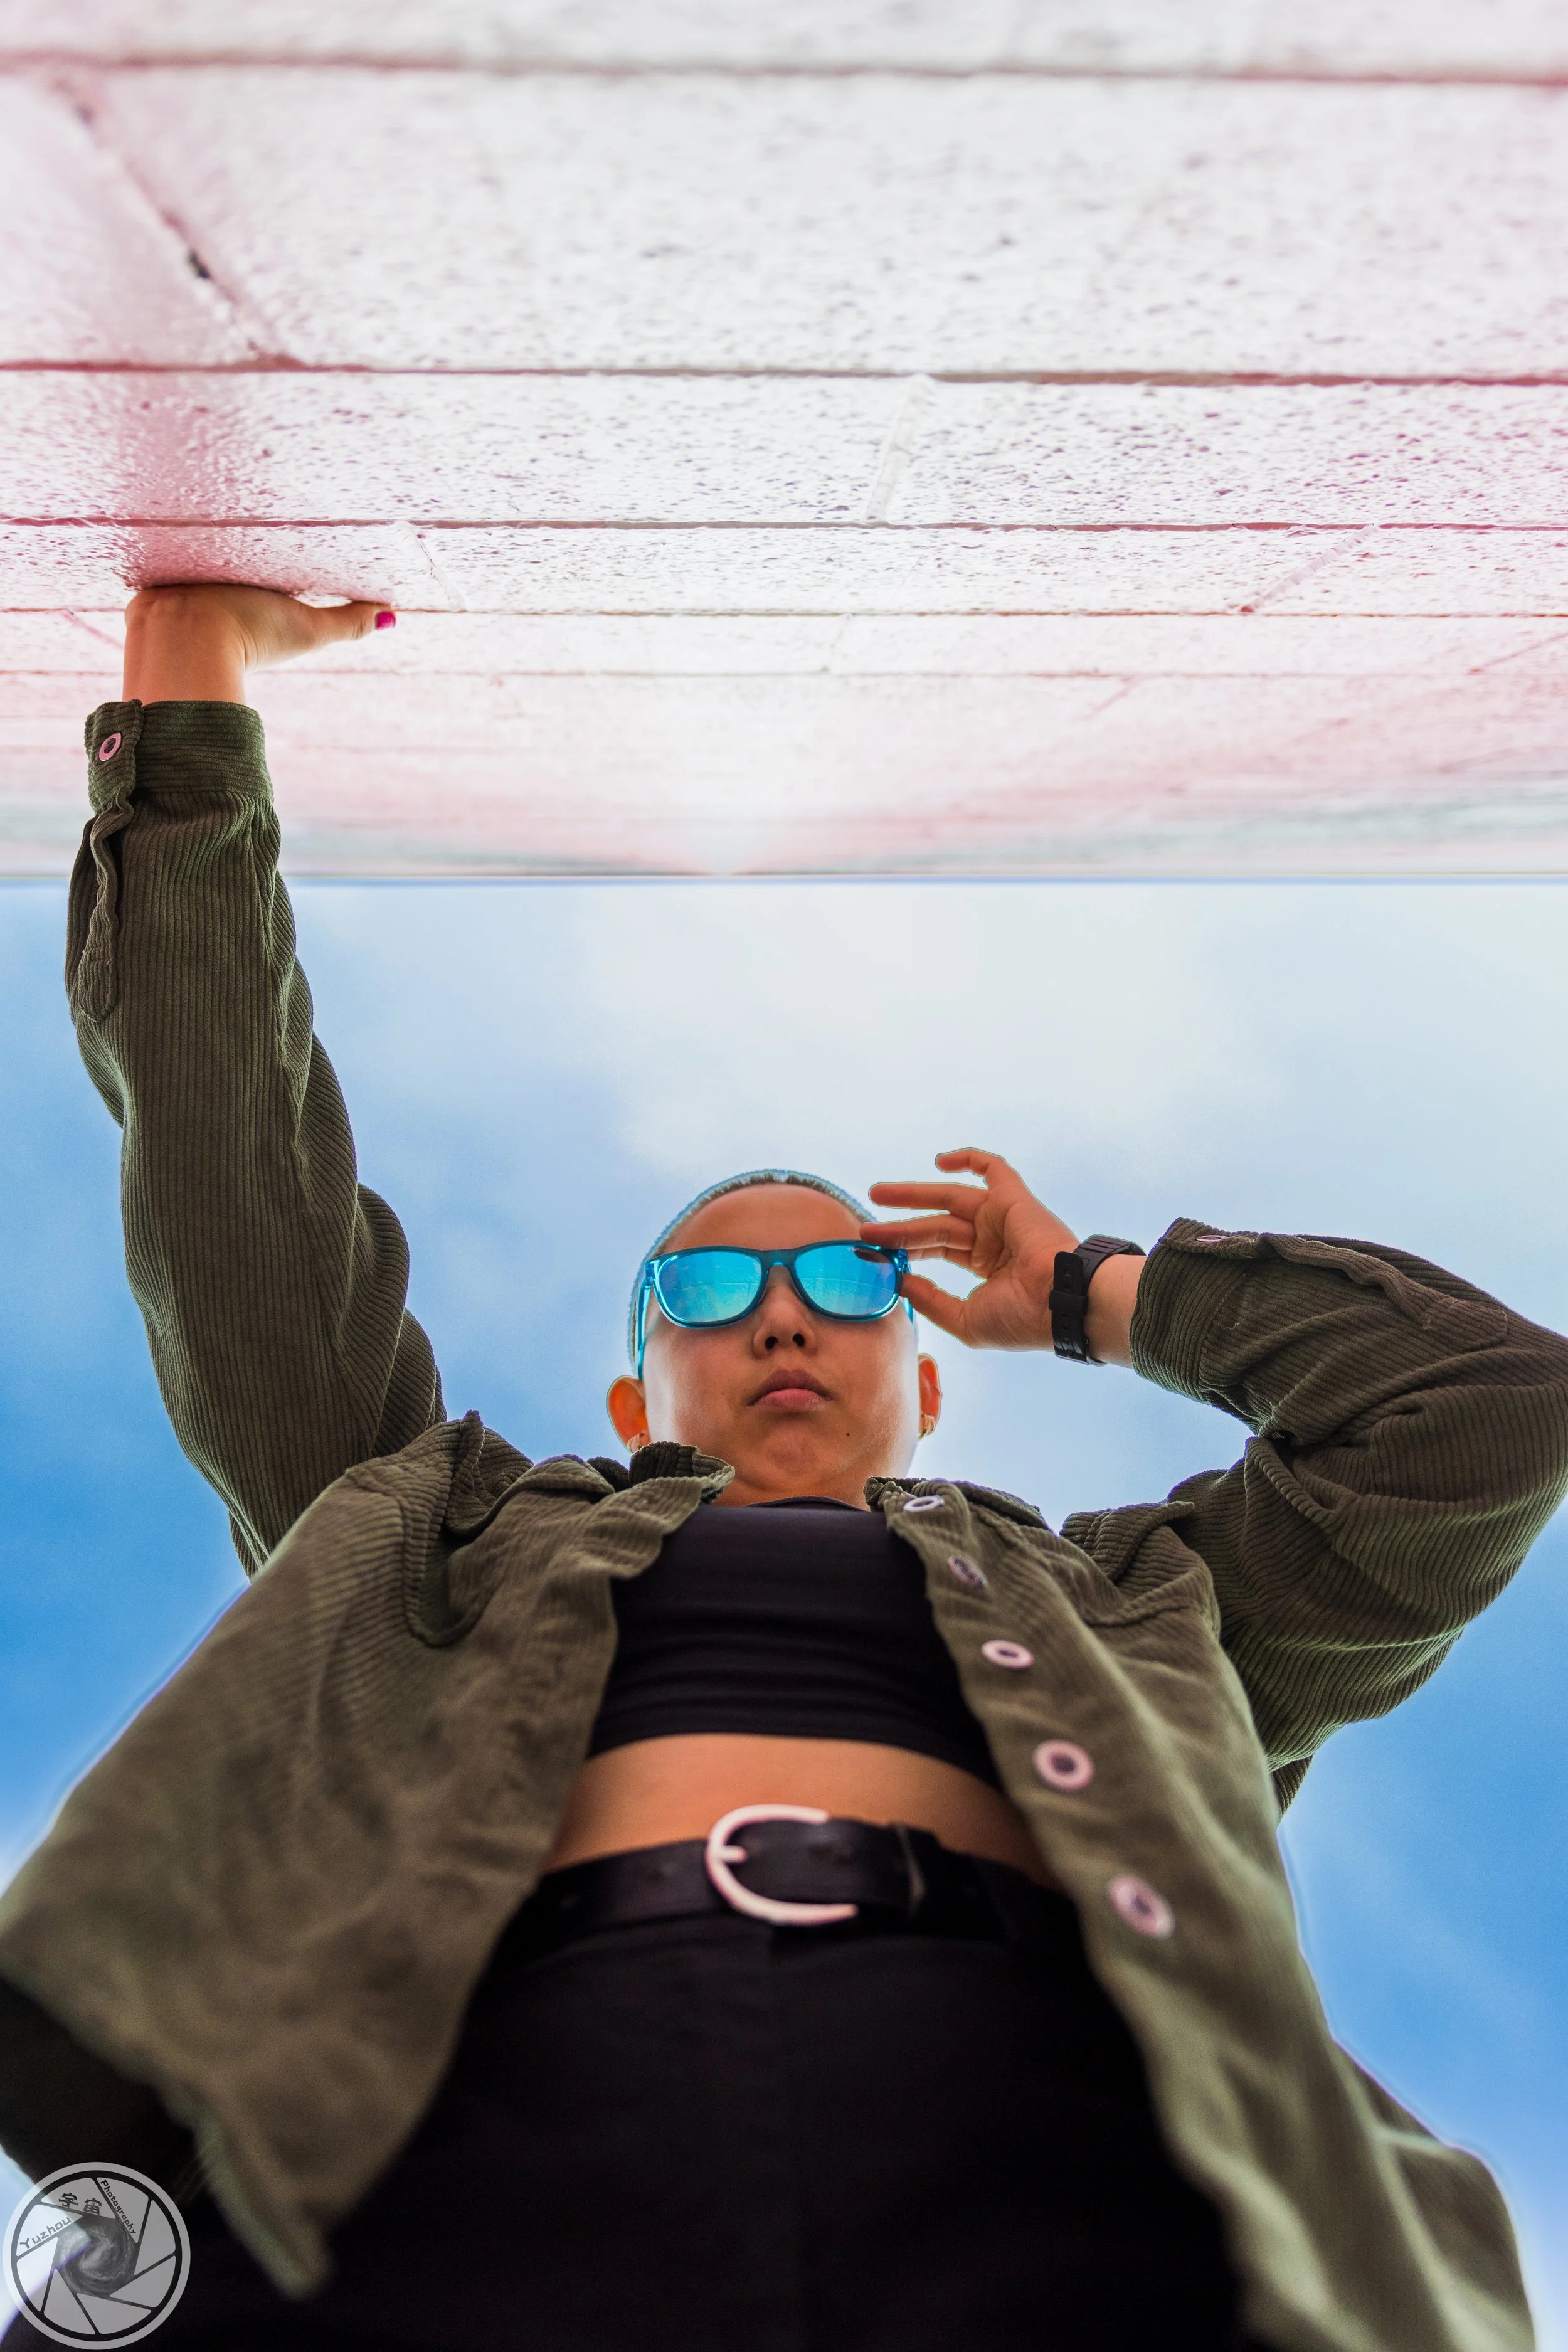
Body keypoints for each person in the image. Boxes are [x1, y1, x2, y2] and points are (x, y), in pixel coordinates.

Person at [1, 583, 1564, 2352]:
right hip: (434, 2121)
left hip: (1070, 2129)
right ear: (631, 1385)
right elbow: (237, 1204)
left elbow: (1486, 1411)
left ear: (926, 1374)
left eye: (847, 1275)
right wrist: (192, 682)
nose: (782, 1317)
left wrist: (1089, 1293)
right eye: (710, 1285)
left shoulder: (1144, 1606)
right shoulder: (430, 1536)